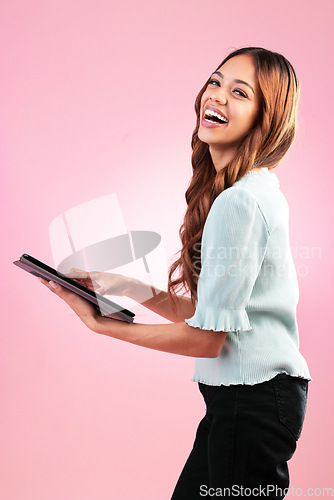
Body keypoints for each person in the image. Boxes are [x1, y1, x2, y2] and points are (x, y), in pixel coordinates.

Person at [39, 47, 311, 499]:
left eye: (239, 92)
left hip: (252, 403)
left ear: (267, 118)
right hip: (247, 402)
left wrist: (104, 326)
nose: (217, 96)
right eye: (216, 81)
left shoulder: (240, 202)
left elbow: (206, 338)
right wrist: (122, 285)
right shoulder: (253, 192)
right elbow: (215, 315)